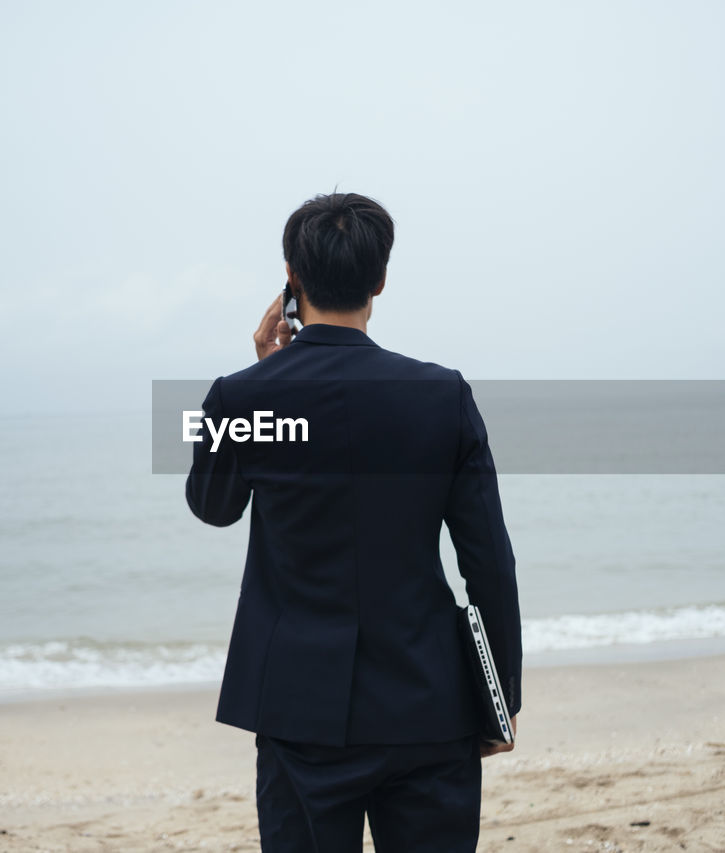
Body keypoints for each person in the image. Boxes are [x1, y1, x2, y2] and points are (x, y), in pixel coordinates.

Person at [185, 192, 521, 852]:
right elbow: (488, 561)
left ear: (292, 277)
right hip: (427, 703)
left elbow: (213, 506)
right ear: (380, 280)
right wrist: (498, 698)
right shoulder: (443, 394)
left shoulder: (242, 396)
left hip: (297, 710)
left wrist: (264, 380)